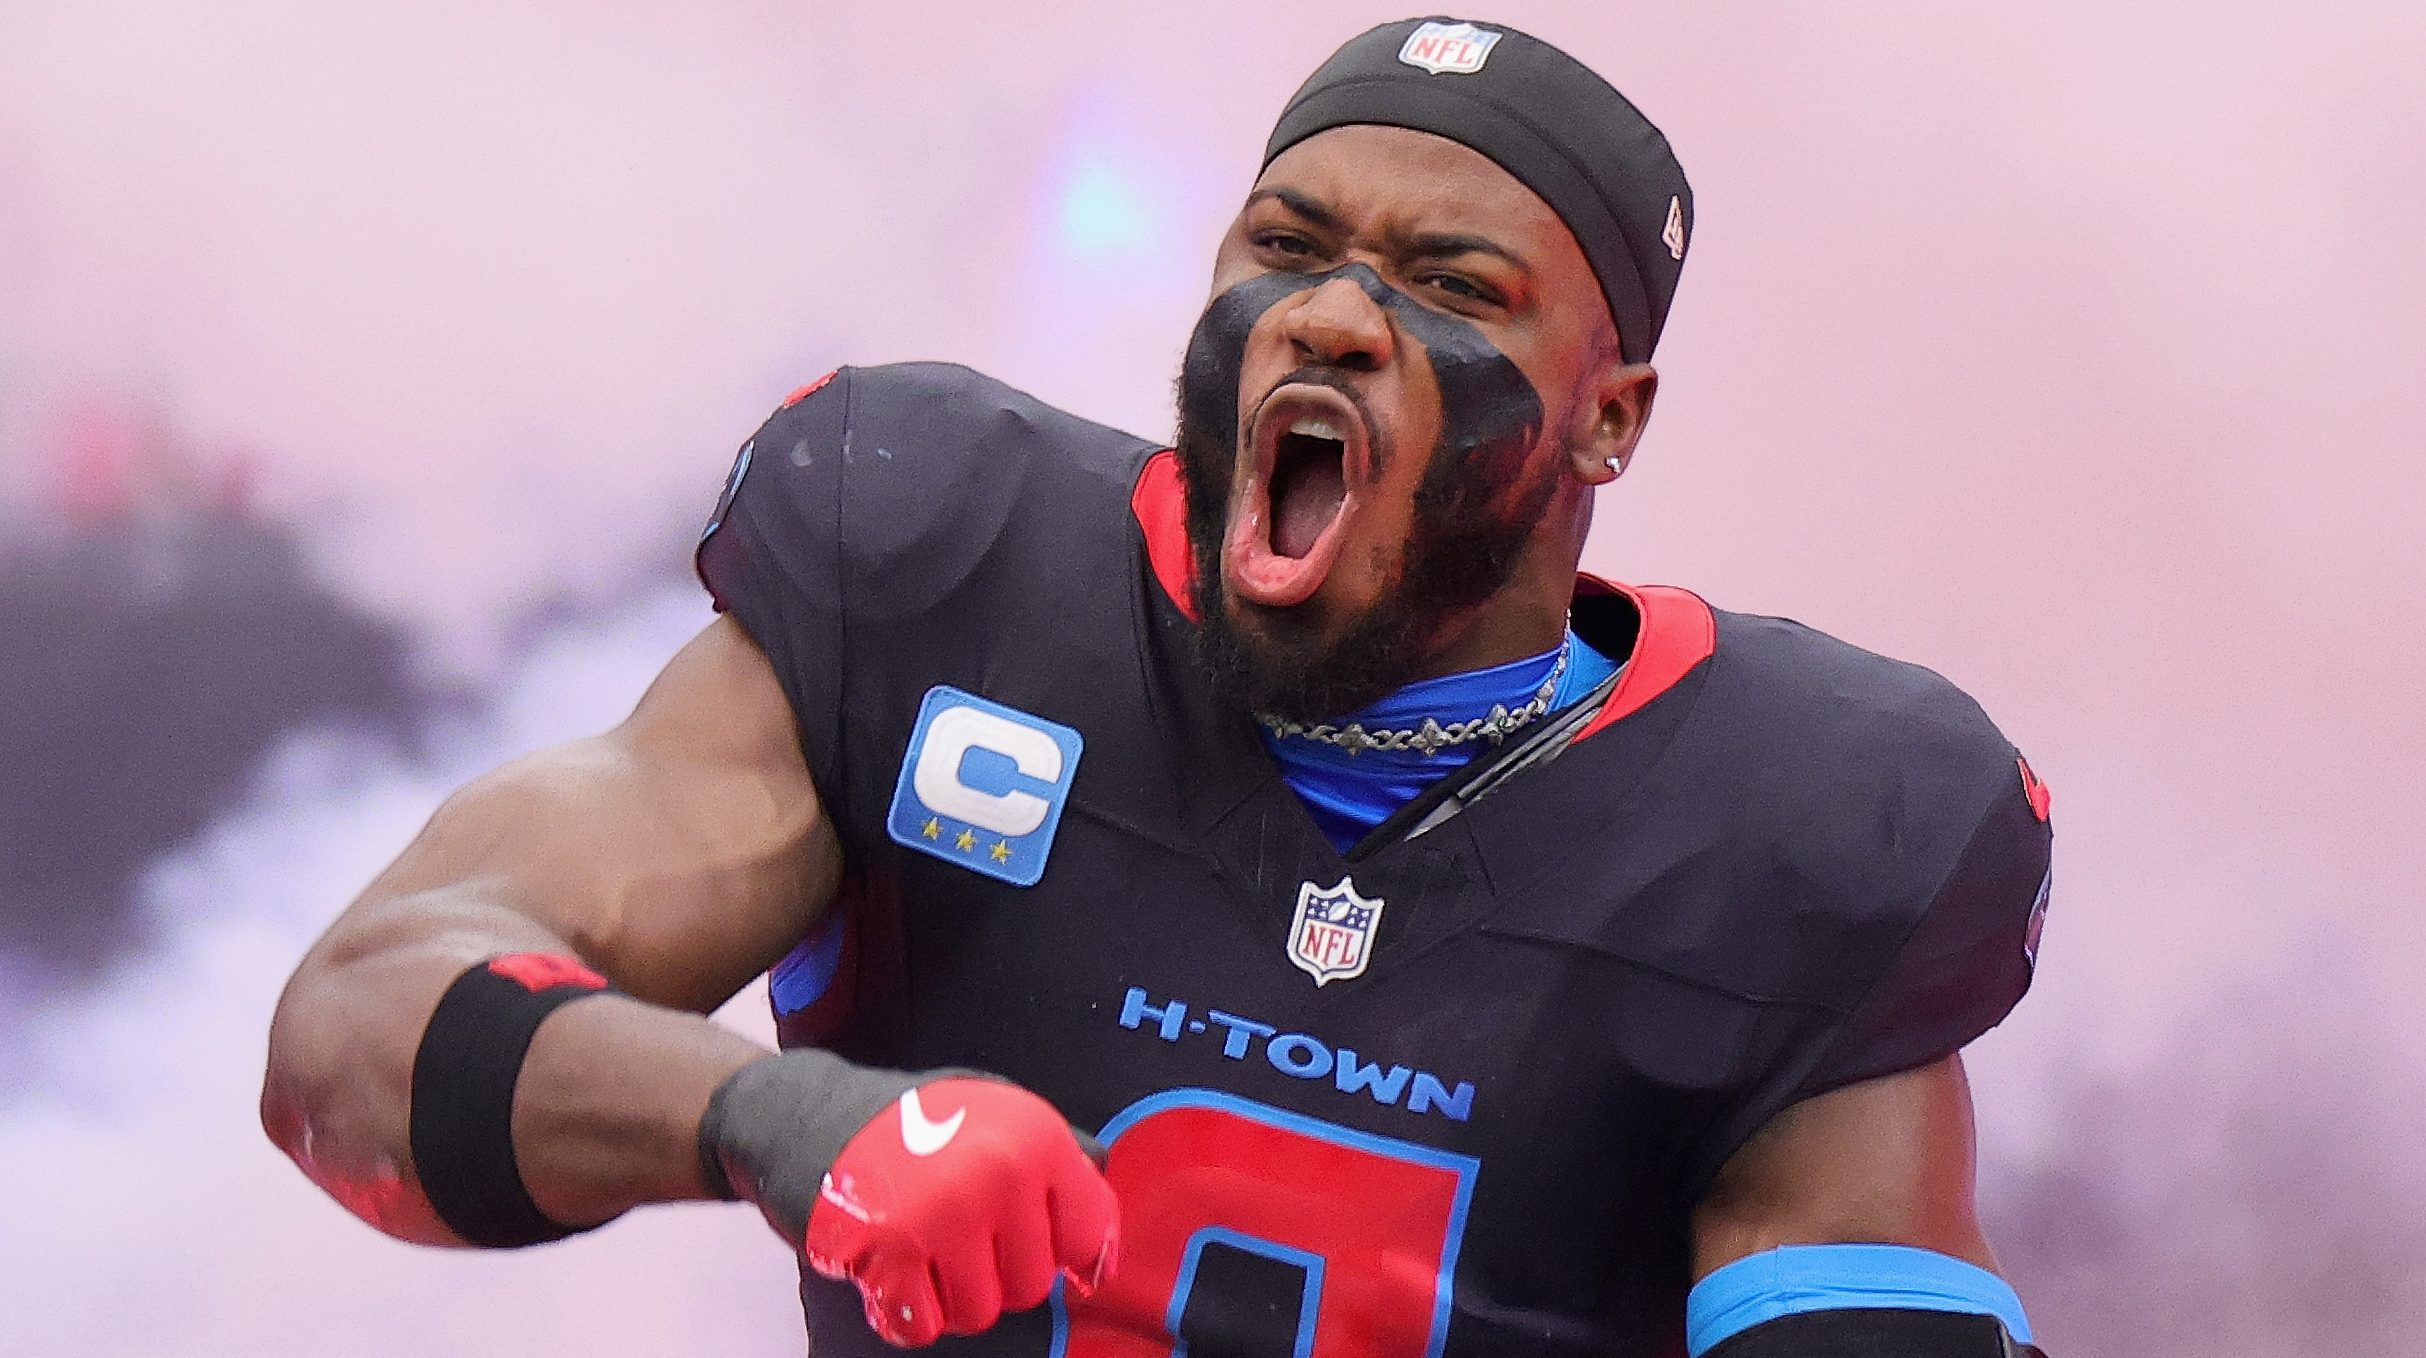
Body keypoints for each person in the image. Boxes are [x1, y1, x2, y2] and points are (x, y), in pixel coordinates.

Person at [262, 18, 2056, 1358]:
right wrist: (776, 1117)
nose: (1331, 316)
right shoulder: (941, 566)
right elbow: (354, 1031)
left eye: (1450, 285)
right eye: (1283, 247)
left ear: (1608, 415)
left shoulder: (1808, 825)